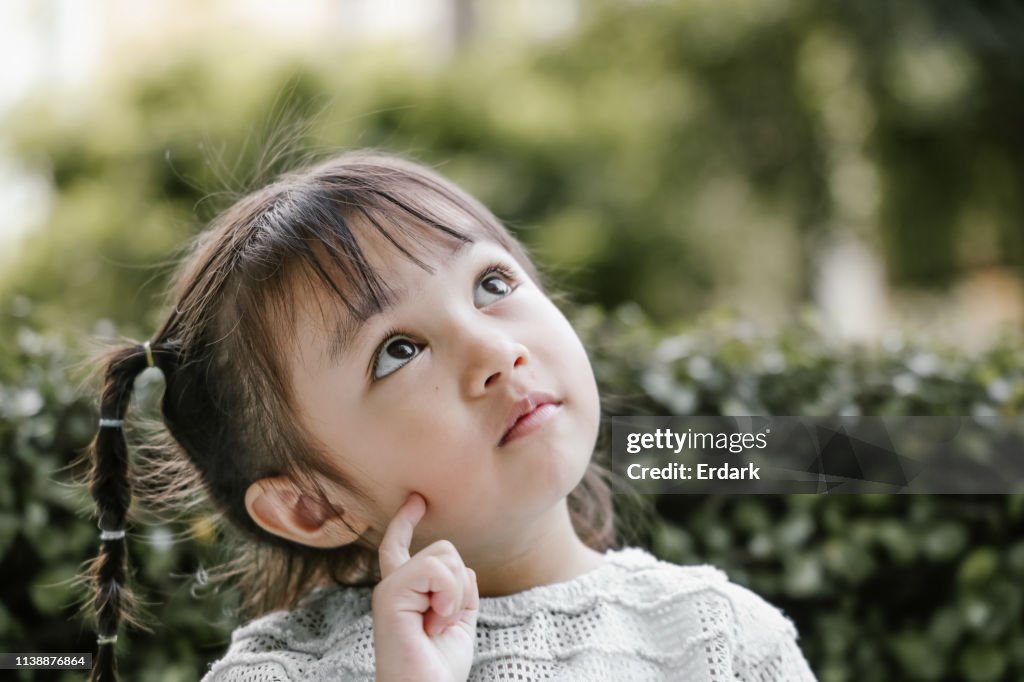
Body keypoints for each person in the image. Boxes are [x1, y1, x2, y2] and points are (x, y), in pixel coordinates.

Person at [80, 150, 817, 681]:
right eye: (398, 351)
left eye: (492, 282)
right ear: (310, 506)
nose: (494, 350)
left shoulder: (720, 637)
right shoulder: (280, 675)